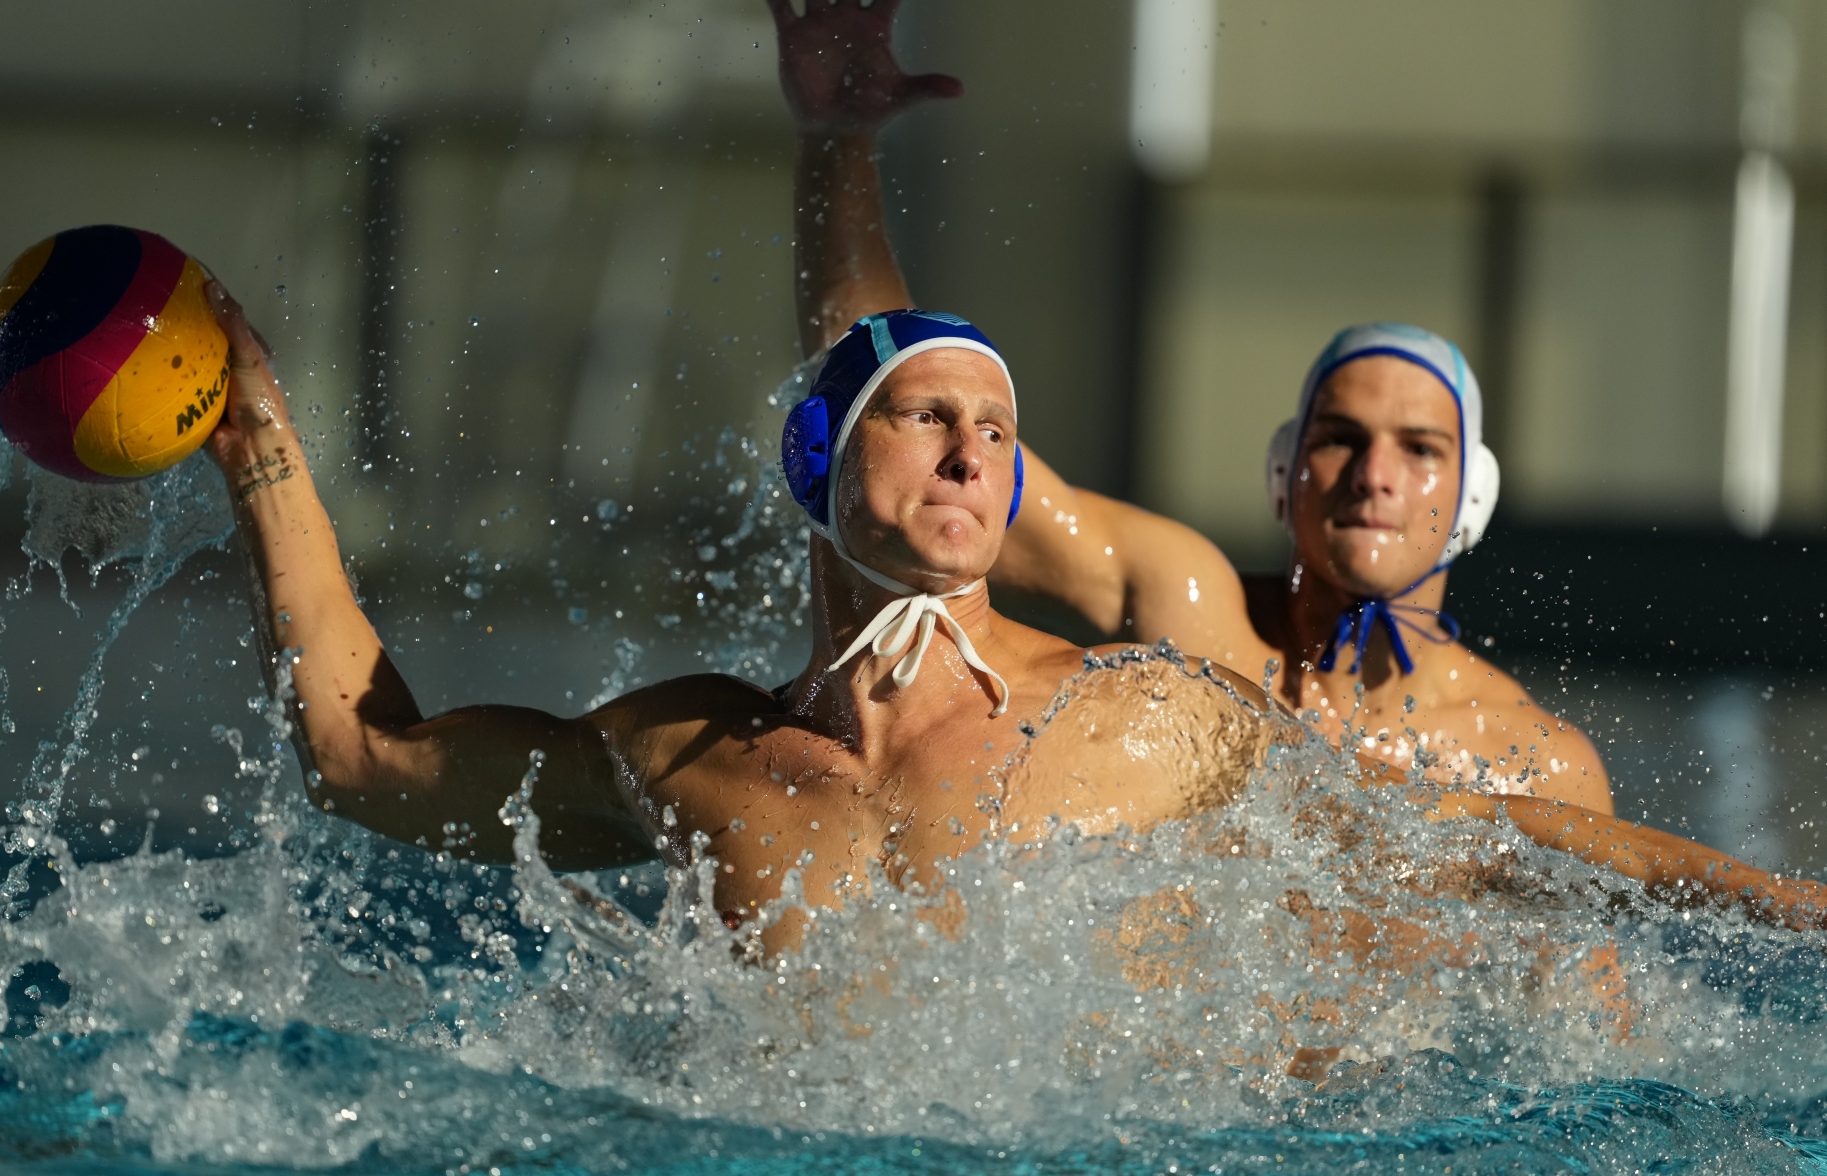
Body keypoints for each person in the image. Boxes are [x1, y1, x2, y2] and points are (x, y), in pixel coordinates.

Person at [202, 276, 1821, 966]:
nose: (976, 443)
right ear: (820, 464)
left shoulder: (1140, 715)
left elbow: (1487, 844)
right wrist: (253, 431)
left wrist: (1781, 906)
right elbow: (364, 764)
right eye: (924, 416)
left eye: (997, 420)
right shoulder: (687, 752)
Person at [768, 0, 1612, 812]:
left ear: (1474, 494)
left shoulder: (1534, 765)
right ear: (1286, 470)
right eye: (1341, 439)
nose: (1375, 477)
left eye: (1421, 448)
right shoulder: (1198, 618)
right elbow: (891, 399)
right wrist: (837, 140)